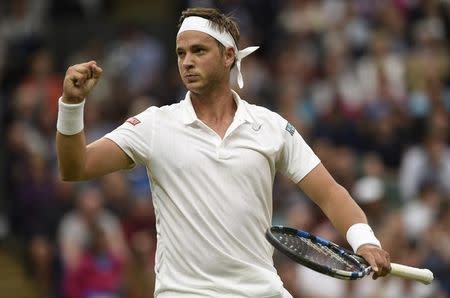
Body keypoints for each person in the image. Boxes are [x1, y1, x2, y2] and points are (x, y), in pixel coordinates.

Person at [56, 7, 391, 298]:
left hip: (261, 291)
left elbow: (330, 193)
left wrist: (365, 241)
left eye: (198, 51)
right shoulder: (154, 124)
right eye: (180, 53)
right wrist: (72, 105)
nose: (186, 62)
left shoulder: (271, 126)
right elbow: (76, 166)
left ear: (229, 55)